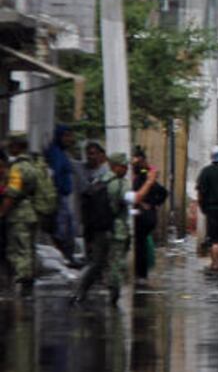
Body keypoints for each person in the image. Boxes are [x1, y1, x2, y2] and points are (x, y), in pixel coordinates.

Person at [71, 152, 130, 305]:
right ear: (115, 166)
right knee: (115, 263)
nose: (126, 169)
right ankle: (114, 297)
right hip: (116, 230)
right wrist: (149, 183)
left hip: (99, 230)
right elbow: (130, 199)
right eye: (124, 166)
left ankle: (80, 292)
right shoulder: (119, 183)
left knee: (97, 263)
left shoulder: (99, 180)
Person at [1, 133, 40, 296]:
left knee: (19, 249)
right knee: (29, 248)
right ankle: (28, 280)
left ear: (17, 147)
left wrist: (2, 212)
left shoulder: (17, 168)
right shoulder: (33, 165)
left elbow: (13, 192)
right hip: (31, 212)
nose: (9, 149)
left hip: (18, 215)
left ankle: (24, 282)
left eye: (11, 146)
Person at [45, 125, 78, 264]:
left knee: (67, 227)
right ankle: (65, 256)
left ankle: (68, 256)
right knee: (62, 229)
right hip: (58, 196)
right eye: (66, 136)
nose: (69, 139)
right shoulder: (56, 153)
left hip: (64, 196)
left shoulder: (61, 153)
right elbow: (55, 175)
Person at [130, 147, 162, 283]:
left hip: (143, 216)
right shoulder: (144, 175)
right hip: (144, 214)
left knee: (140, 245)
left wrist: (148, 203)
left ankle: (141, 274)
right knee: (140, 244)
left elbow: (161, 192)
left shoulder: (144, 176)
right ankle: (141, 274)